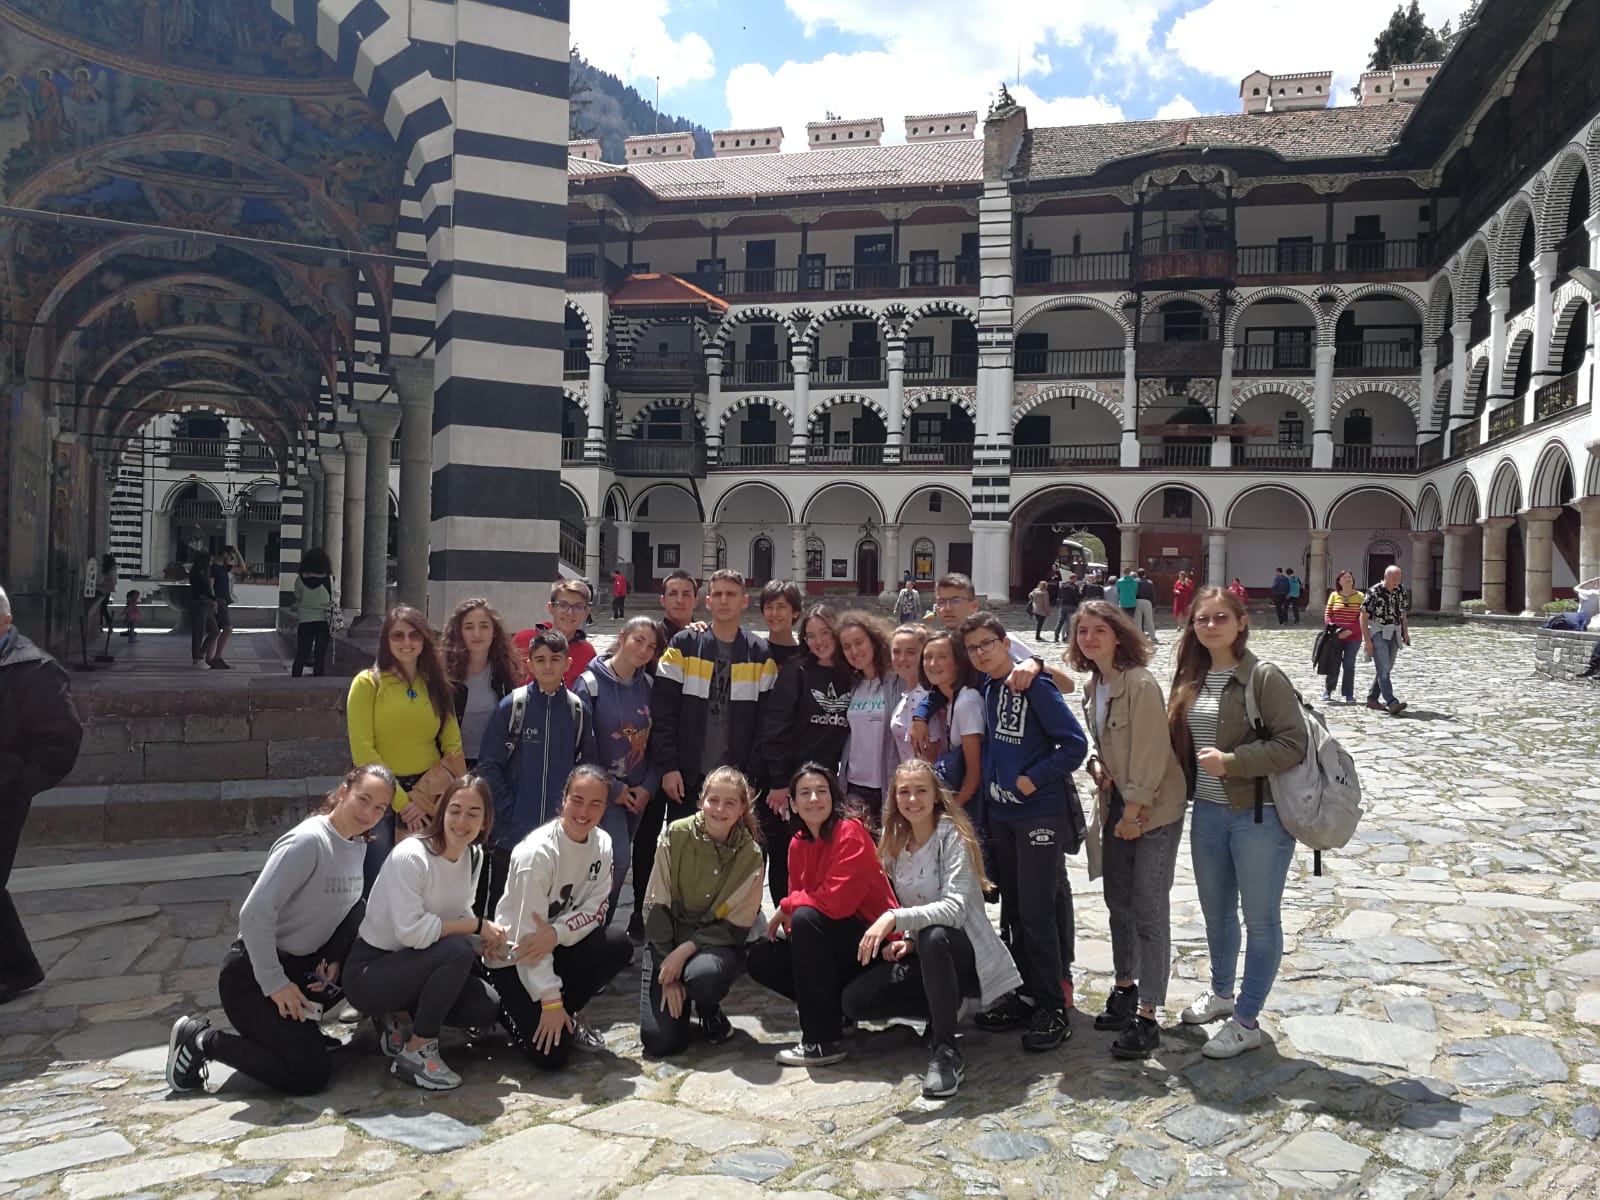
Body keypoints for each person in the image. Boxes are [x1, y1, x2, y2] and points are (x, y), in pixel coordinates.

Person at [165, 765, 396, 1095]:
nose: (369, 813)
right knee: (308, 1075)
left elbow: (351, 906)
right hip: (252, 978)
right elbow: (254, 914)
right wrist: (275, 983)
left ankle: (299, 1034)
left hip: (302, 968)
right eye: (363, 799)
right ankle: (201, 1040)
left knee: (366, 965)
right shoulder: (308, 842)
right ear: (344, 792)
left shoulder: (357, 843)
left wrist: (334, 957)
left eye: (380, 808)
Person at [1167, 586, 1308, 1059]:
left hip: (1258, 815)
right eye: (1202, 619)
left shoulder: (1262, 677)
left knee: (1261, 921)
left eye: (1220, 617)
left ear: (1241, 622)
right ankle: (1222, 992)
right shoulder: (1191, 678)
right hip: (1207, 814)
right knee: (1217, 913)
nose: (1210, 626)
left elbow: (1293, 744)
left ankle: (1246, 1020)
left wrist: (1233, 762)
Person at [844, 760, 1021, 1098]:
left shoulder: (952, 837)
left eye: (921, 791)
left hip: (967, 955)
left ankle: (946, 1051)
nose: (912, 800)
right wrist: (909, 941)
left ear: (936, 796)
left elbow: (954, 910)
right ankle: (942, 1006)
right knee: (857, 1001)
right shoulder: (896, 842)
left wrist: (895, 919)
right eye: (904, 792)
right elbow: (917, 903)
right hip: (927, 950)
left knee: (934, 935)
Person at [960, 612, 1087, 1053]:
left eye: (987, 644)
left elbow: (1074, 744)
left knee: (1037, 911)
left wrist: (1033, 779)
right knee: (1013, 910)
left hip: (1038, 814)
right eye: (972, 648)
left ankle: (1052, 1005)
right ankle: (1026, 993)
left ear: (1004, 643)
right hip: (1003, 815)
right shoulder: (989, 687)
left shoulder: (1034, 685)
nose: (980, 653)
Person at [1070, 601, 1187, 1059]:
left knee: (1148, 908)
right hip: (1117, 802)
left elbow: (1152, 752)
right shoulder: (1092, 685)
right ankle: (1125, 987)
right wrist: (1096, 764)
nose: (1090, 638)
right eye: (1083, 631)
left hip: (1152, 808)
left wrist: (1134, 812)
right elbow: (1104, 743)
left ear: (1119, 635)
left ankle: (1149, 1015)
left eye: (1099, 630)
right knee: (1117, 900)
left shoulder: (1139, 683)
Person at [343, 775, 505, 1090]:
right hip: (371, 971)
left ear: (485, 822)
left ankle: (399, 1015)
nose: (462, 821)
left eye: (473, 813)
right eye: (454, 810)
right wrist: (475, 927)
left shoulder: (472, 856)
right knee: (457, 951)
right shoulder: (412, 855)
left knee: (485, 1006)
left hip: (418, 963)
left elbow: (459, 912)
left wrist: (483, 940)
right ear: (441, 812)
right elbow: (412, 933)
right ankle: (417, 1051)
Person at [746, 764, 898, 1066]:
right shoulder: (797, 843)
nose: (814, 799)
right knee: (762, 957)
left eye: (821, 791)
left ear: (833, 797)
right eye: (805, 793)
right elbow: (801, 911)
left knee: (806, 918)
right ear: (793, 804)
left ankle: (821, 1041)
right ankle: (834, 1013)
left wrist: (787, 906)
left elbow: (837, 903)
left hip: (876, 944)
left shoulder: (850, 831)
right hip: (835, 942)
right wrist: (794, 915)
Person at [487, 765, 634, 1069]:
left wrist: (557, 934)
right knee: (551, 1057)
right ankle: (500, 999)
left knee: (617, 944)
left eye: (595, 804)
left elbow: (596, 910)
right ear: (564, 798)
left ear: (605, 807)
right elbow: (528, 939)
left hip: (554, 944)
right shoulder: (536, 854)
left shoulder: (603, 844)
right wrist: (549, 997)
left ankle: (567, 1012)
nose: (584, 812)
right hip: (515, 956)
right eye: (577, 800)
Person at [649, 568, 777, 906]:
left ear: (744, 601)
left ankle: (735, 921)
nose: (723, 601)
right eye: (717, 594)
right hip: (688, 776)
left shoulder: (759, 652)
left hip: (737, 781)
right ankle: (678, 917)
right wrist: (669, 766)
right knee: (684, 855)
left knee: (739, 857)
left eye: (730, 594)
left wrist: (750, 777)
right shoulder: (684, 645)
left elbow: (765, 723)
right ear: (707, 602)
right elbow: (663, 712)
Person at [639, 767, 765, 1056]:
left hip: (714, 946)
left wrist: (686, 950)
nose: (719, 809)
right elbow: (657, 904)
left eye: (730, 803)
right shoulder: (675, 835)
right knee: (661, 1041)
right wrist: (667, 971)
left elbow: (738, 923)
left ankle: (709, 1008)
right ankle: (680, 1000)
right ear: (702, 800)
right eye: (713, 800)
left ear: (742, 808)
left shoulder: (751, 855)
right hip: (666, 942)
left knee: (704, 978)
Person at [476, 628, 599, 918]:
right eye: (540, 660)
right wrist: (509, 809)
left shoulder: (577, 711)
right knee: (503, 899)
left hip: (558, 830)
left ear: (568, 663)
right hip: (511, 830)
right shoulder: (513, 706)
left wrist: (571, 812)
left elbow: (586, 768)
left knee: (549, 901)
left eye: (555, 659)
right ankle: (499, 947)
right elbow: (489, 764)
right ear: (529, 664)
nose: (548, 666)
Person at [0, 587, 84, 1005]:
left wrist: (14, 784)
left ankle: (16, 970)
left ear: (6, 621)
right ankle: (18, 968)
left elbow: (60, 744)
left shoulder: (35, 669)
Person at [347, 607, 464, 890]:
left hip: (429, 793)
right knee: (377, 878)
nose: (406, 642)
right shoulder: (367, 684)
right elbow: (363, 751)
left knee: (423, 879)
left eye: (414, 635)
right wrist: (403, 802)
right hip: (379, 796)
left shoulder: (436, 685)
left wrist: (455, 794)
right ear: (386, 640)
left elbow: (452, 745)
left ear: (424, 640)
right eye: (397, 635)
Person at [759, 605, 855, 905]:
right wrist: (779, 781)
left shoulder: (852, 674)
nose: (818, 641)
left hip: (829, 785)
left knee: (823, 856)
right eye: (811, 636)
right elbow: (775, 726)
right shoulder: (797, 671)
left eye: (825, 633)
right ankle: (786, 917)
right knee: (786, 855)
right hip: (790, 783)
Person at [573, 615, 663, 925]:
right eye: (639, 640)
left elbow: (659, 740)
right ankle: (596, 928)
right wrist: (613, 788)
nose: (643, 650)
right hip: (602, 792)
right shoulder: (589, 684)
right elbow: (583, 746)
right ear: (622, 637)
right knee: (618, 859)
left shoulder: (649, 685)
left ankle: (598, 929)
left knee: (608, 864)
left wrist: (648, 786)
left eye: (651, 647)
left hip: (638, 794)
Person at [837, 611, 904, 828]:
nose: (854, 651)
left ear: (874, 641)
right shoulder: (852, 684)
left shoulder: (897, 681)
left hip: (889, 784)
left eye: (859, 642)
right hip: (854, 786)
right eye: (846, 647)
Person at [442, 598, 522, 767]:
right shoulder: (445, 675)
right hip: (452, 765)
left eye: (484, 626)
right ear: (459, 632)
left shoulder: (504, 674)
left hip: (493, 764)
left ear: (494, 632)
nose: (477, 634)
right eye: (469, 627)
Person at [918, 633, 984, 815]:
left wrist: (951, 811)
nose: (932, 664)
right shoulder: (951, 700)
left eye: (942, 657)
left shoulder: (966, 703)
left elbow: (974, 773)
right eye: (928, 657)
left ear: (958, 662)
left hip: (971, 806)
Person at [1361, 564, 1412, 716]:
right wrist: (1367, 641)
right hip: (1377, 631)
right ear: (1386, 577)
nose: (1397, 581)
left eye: (1399, 578)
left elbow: (1402, 612)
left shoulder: (1400, 590)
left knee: (1386, 668)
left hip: (1394, 632)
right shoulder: (1374, 592)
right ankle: (1391, 702)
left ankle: (1372, 699)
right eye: (1394, 578)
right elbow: (1363, 617)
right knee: (1383, 667)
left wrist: (1405, 632)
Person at [887, 623, 932, 765]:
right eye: (896, 652)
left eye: (911, 652)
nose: (902, 659)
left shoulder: (924, 697)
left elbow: (930, 758)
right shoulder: (908, 695)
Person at [541, 581, 597, 687]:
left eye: (578, 607)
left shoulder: (587, 653)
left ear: (586, 613)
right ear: (551, 608)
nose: (570, 612)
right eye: (563, 605)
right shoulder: (525, 640)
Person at [291, 547, 335, 678]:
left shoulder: (299, 579)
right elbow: (333, 597)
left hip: (305, 620)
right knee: (320, 654)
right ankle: (318, 680)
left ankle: (295, 678)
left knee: (302, 652)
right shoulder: (330, 579)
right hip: (323, 620)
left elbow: (297, 597)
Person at [1322, 570, 1365, 704]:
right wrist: (1335, 631)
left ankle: (1348, 694)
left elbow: (1363, 617)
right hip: (1336, 637)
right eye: (1344, 577)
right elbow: (1328, 615)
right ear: (1339, 581)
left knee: (1349, 664)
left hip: (1353, 637)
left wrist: (1351, 631)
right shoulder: (1334, 595)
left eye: (1350, 577)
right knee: (1333, 662)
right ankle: (1328, 690)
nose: (1348, 579)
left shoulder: (1360, 596)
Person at [209, 546, 244, 669]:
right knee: (227, 629)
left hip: (223, 602)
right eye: (231, 557)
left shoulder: (224, 568)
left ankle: (209, 657)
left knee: (215, 631)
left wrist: (237, 553)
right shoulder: (214, 568)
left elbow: (242, 569)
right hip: (219, 602)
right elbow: (210, 585)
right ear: (225, 554)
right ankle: (216, 657)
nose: (231, 560)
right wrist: (214, 600)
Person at [759, 580, 804, 669]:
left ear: (795, 612)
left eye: (781, 607)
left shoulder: (804, 657)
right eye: (769, 607)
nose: (774, 613)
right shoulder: (755, 651)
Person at [188, 549, 221, 668]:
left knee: (215, 631)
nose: (211, 563)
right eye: (209, 560)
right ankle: (196, 659)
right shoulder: (196, 573)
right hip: (200, 604)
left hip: (206, 604)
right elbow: (203, 589)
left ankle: (201, 654)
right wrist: (213, 598)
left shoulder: (204, 572)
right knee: (199, 632)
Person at [659, 570, 701, 640]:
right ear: (663, 600)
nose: (680, 601)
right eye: (673, 594)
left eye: (686, 594)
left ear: (695, 602)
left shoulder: (704, 636)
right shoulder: (652, 636)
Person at [93, 553, 118, 634]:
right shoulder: (111, 569)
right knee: (102, 608)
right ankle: (104, 626)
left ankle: (108, 625)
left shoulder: (111, 570)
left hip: (104, 591)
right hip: (105, 590)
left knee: (101, 608)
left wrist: (98, 585)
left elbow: (112, 582)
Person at [1053, 574, 1081, 643]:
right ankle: (1067, 637)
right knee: (1070, 622)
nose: (1076, 580)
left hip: (1063, 605)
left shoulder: (1063, 585)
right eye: (1075, 579)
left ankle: (1056, 636)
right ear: (1073, 579)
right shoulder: (1075, 587)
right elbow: (1077, 597)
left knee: (1060, 621)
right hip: (1072, 605)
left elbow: (1059, 595)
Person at [1134, 568, 1158, 644]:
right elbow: (1153, 594)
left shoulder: (1134, 582)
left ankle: (1139, 637)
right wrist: (1154, 604)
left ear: (1137, 574)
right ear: (1144, 574)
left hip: (1137, 601)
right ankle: (1153, 637)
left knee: (1138, 621)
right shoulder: (1150, 583)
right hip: (1147, 601)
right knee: (1149, 620)